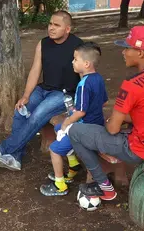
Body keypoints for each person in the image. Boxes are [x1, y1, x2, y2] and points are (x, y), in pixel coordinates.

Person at [68, 26, 144, 201]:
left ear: (140, 53)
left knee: (75, 132)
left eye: (127, 48)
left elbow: (112, 130)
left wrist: (114, 120)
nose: (123, 52)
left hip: (143, 148)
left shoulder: (133, 84)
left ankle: (104, 187)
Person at [0, 10, 83, 171]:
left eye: (57, 25)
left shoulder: (78, 46)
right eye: (50, 24)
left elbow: (86, 73)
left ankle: (3, 149)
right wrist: (26, 95)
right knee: (21, 110)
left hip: (64, 94)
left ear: (67, 29)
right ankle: (15, 158)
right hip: (44, 89)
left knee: (38, 115)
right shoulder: (43, 44)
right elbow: (36, 70)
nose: (51, 28)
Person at [39, 42, 108, 196]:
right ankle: (74, 165)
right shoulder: (99, 79)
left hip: (83, 129)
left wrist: (67, 122)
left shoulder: (83, 84)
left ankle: (60, 185)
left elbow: (81, 112)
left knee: (54, 149)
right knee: (57, 129)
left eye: (75, 59)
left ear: (86, 63)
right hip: (96, 124)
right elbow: (103, 101)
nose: (72, 62)